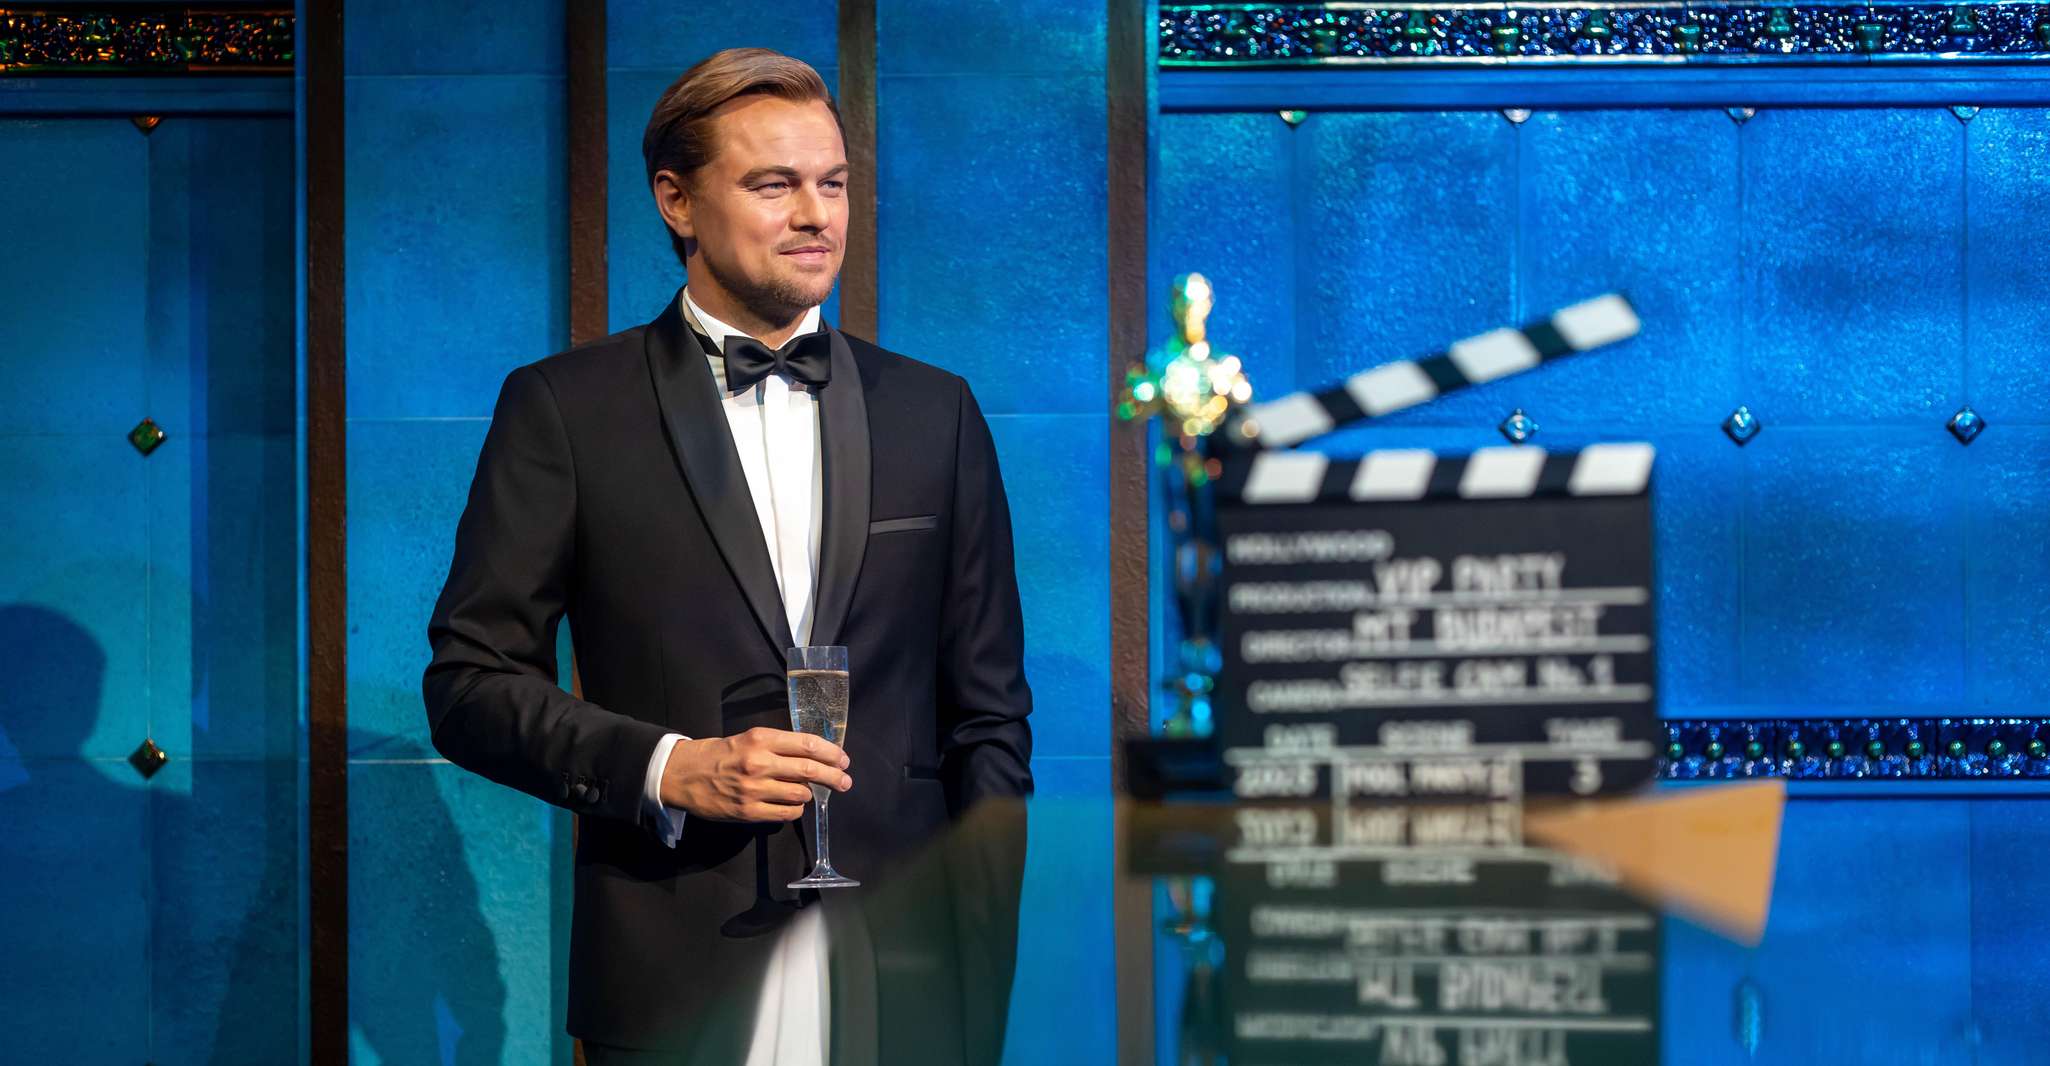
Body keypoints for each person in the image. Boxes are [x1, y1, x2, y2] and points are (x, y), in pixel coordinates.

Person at [422, 47, 1033, 1065]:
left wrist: (979, 974)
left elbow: (990, 720)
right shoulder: (566, 410)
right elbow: (469, 685)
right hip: (674, 975)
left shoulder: (938, 412)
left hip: (905, 980)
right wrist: (674, 769)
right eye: (773, 185)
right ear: (677, 200)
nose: (817, 215)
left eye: (833, 182)